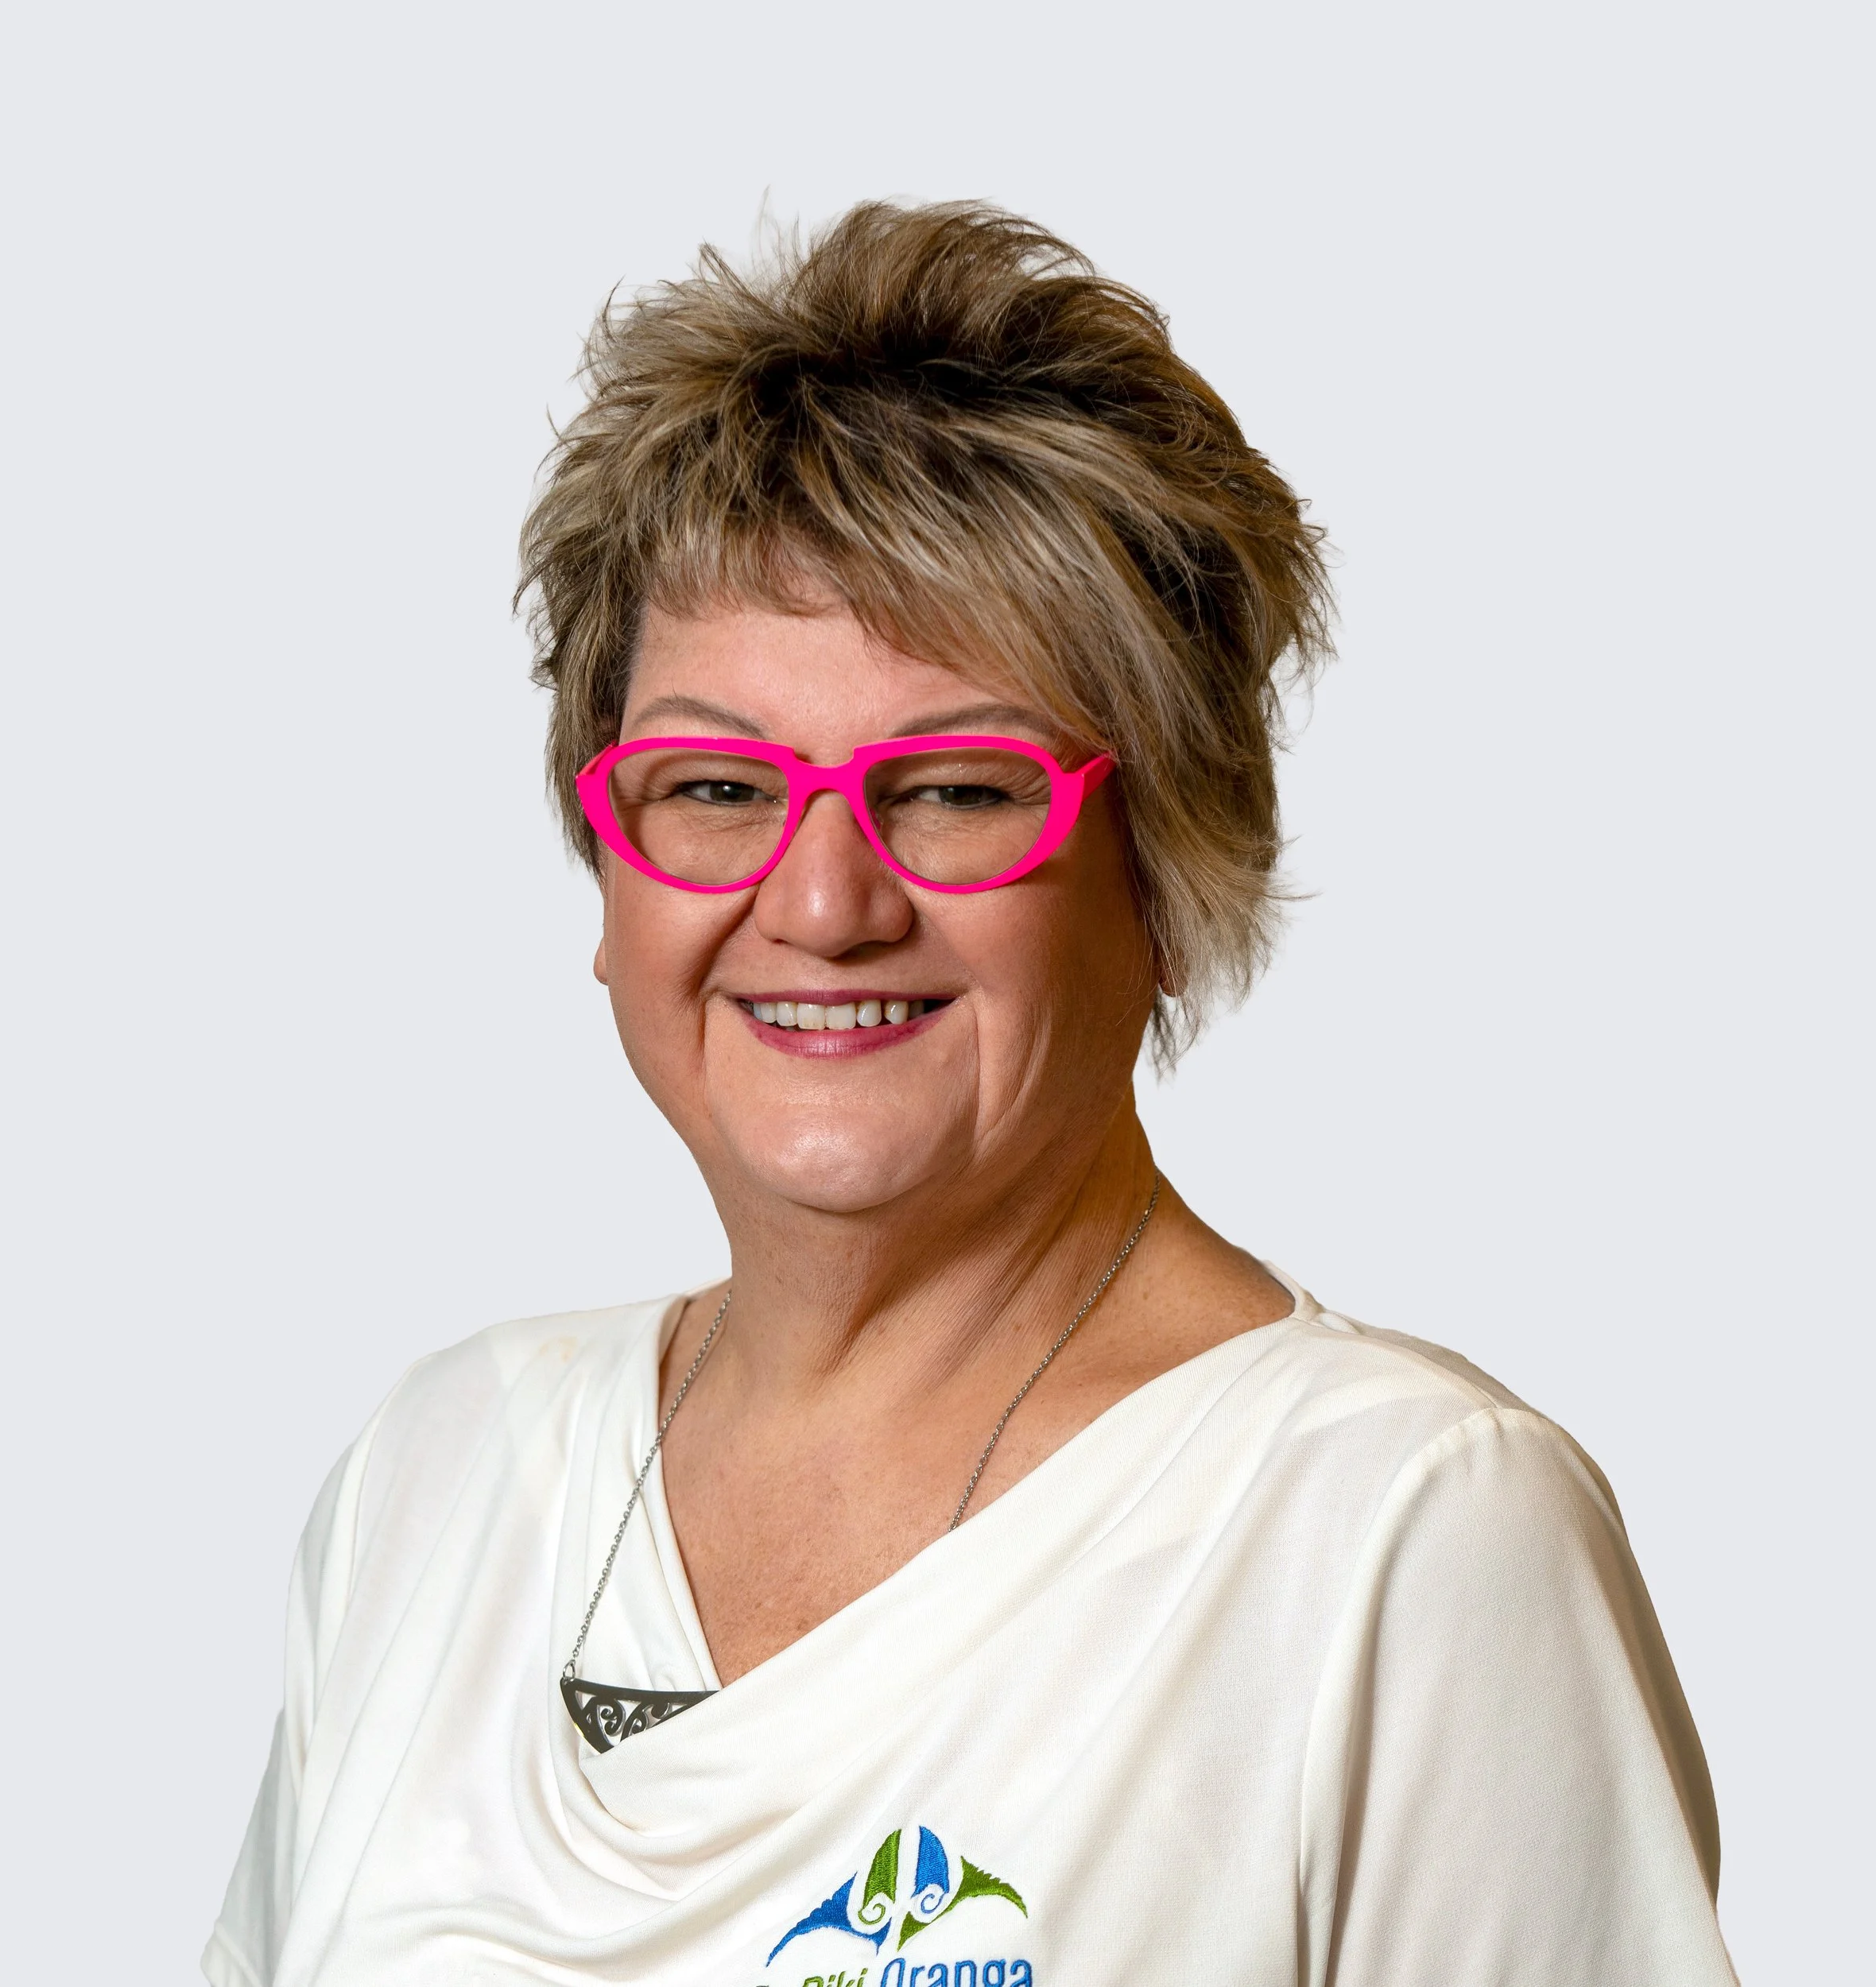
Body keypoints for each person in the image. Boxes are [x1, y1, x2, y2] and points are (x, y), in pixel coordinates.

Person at [203, 203, 1738, 1987]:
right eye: (715, 788)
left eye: (953, 789)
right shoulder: (440, 1471)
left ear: (1165, 876)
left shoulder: (1399, 1530)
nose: (822, 901)